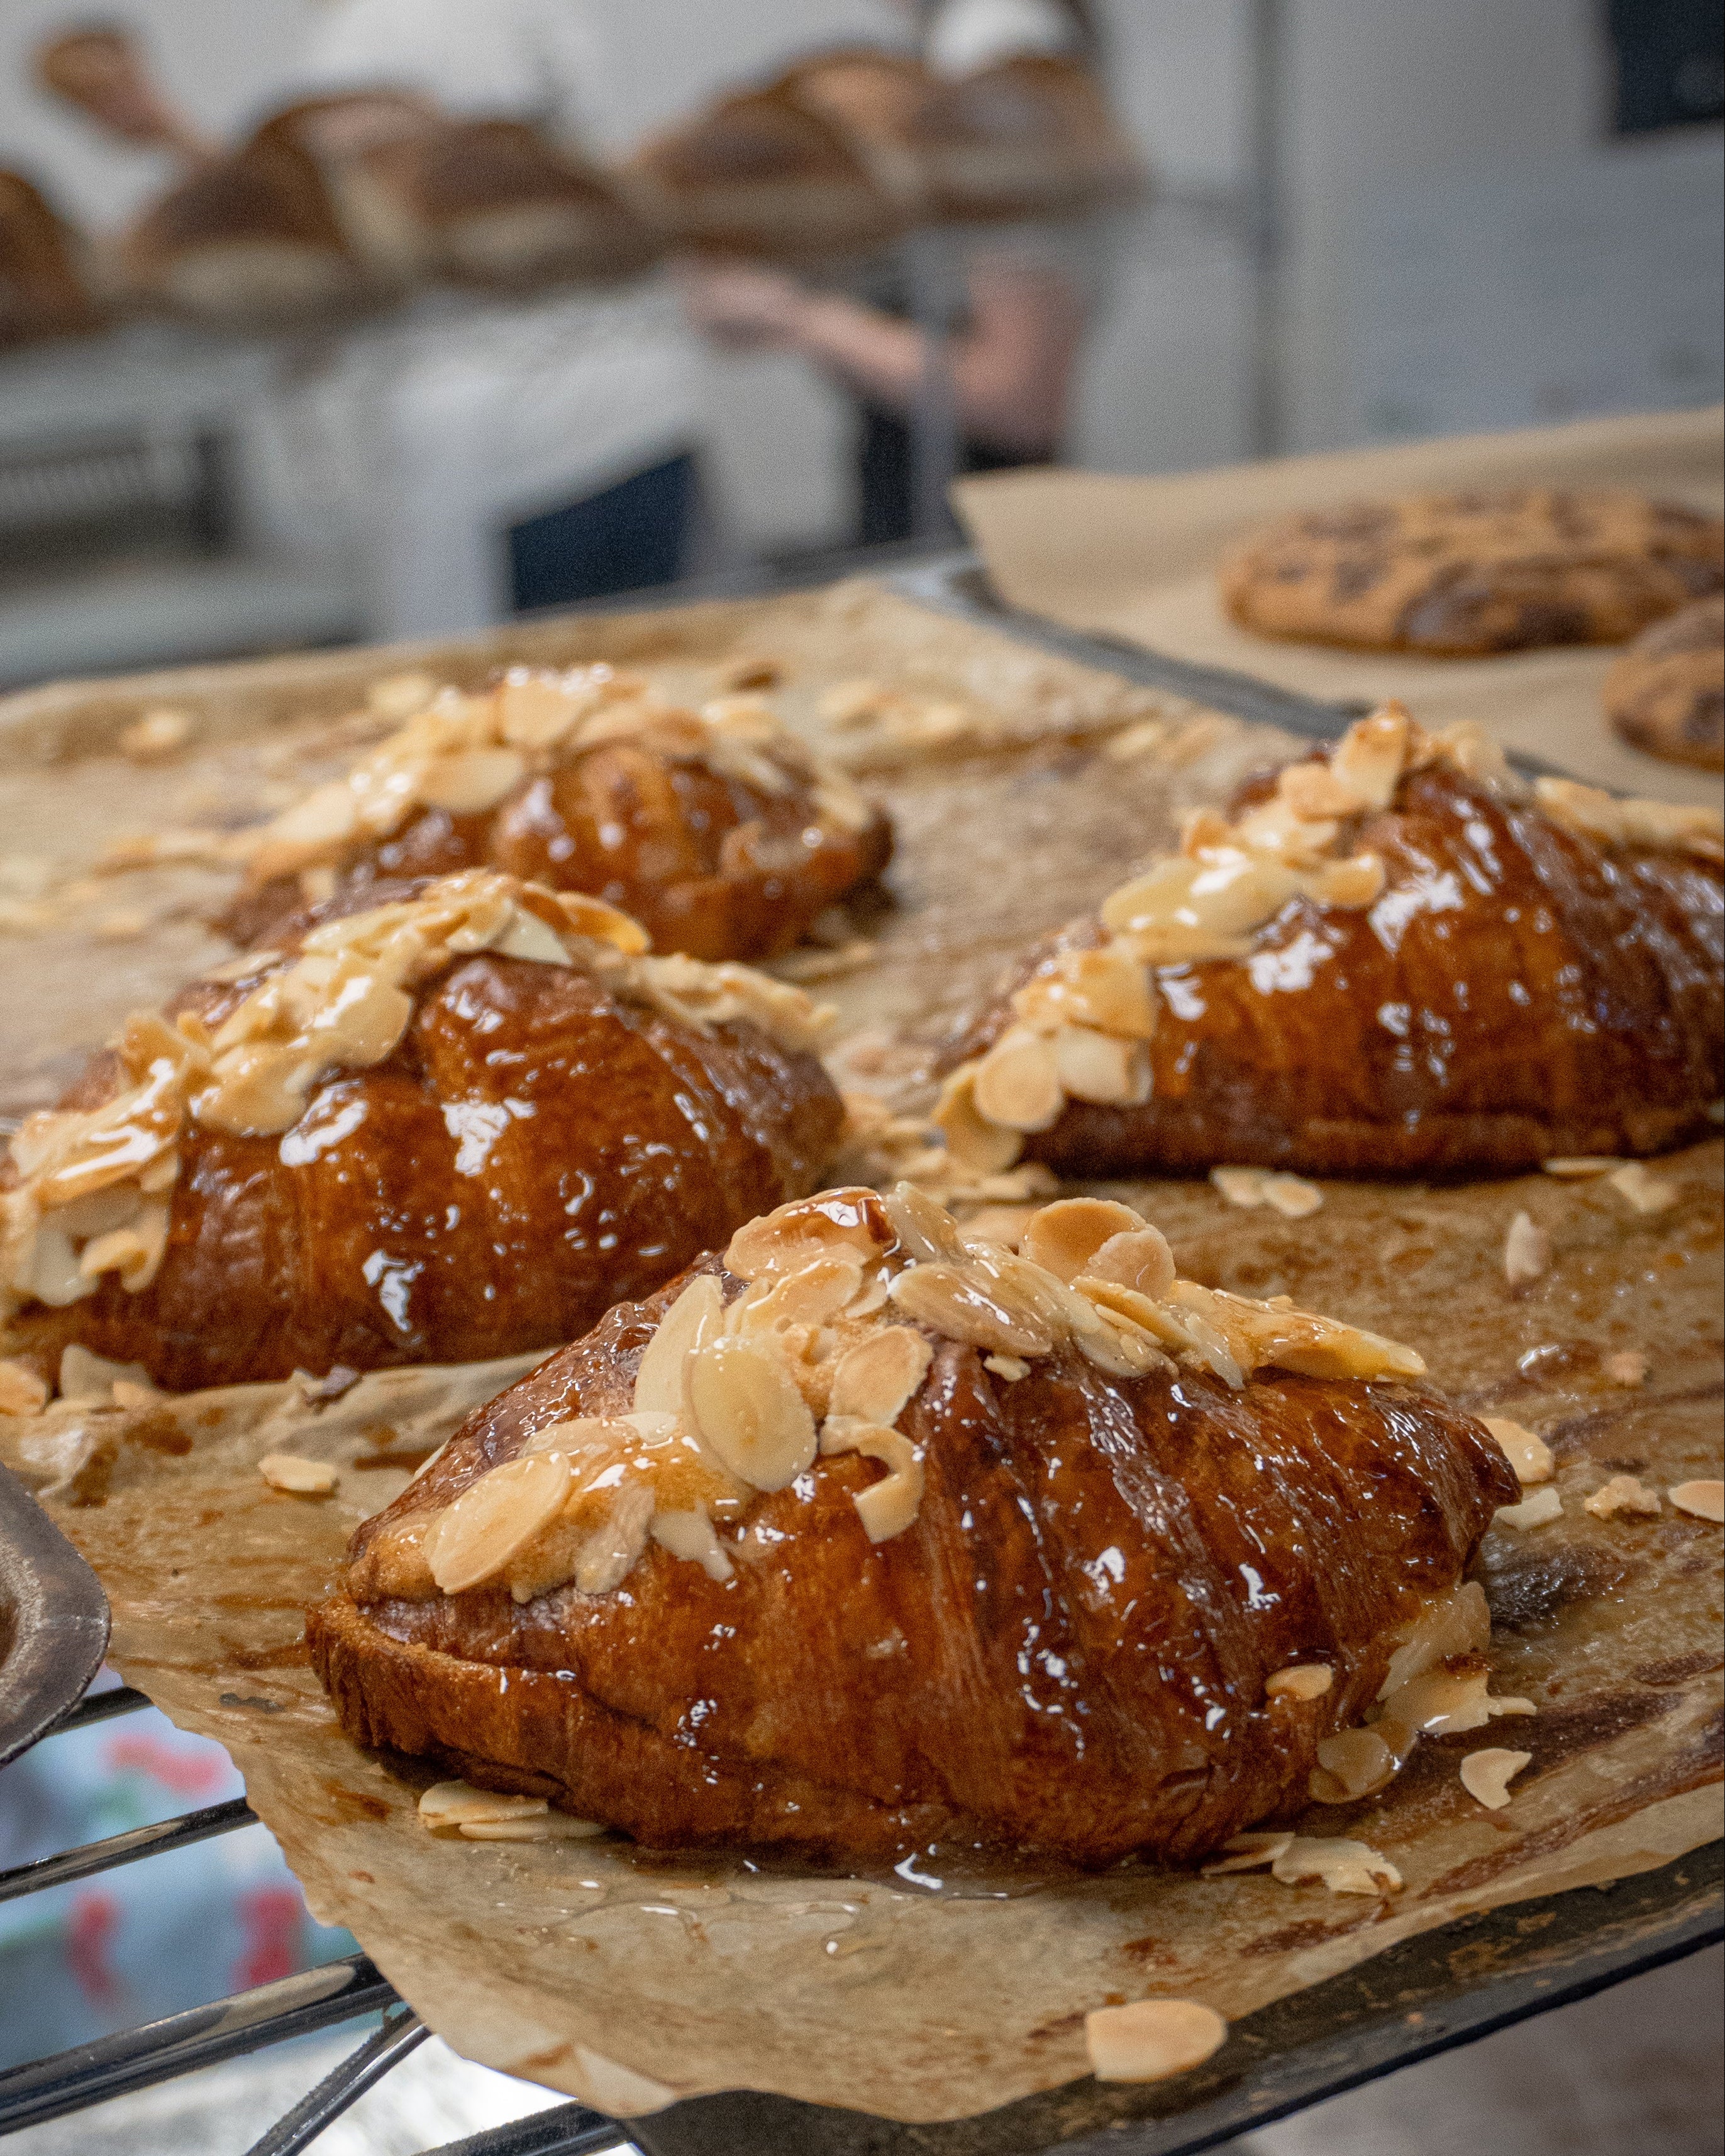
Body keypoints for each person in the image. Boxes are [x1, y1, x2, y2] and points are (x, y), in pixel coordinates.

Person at [678, 0, 1110, 546]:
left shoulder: (992, 34)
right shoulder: (938, 49)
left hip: (977, 512)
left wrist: (801, 320)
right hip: (911, 489)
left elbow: (1020, 398)